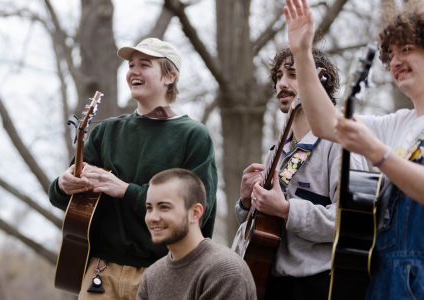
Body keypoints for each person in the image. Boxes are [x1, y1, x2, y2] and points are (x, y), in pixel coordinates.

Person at [48, 38, 218, 300]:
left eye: (145, 65)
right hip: (101, 272)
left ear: (169, 77)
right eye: (131, 65)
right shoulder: (105, 132)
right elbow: (67, 201)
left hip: (165, 273)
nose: (133, 72)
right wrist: (62, 184)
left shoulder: (193, 136)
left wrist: (126, 191)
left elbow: (197, 214)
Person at [283, 0, 424, 299]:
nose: (395, 61)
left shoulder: (385, 137)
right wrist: (302, 54)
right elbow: (324, 124)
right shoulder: (398, 124)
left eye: (407, 49)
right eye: (392, 54)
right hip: (383, 278)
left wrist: (378, 154)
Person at [234, 46, 350, 299]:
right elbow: (262, 228)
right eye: (278, 76)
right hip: (270, 281)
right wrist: (246, 202)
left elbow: (346, 222)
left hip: (320, 284)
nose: (281, 84)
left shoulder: (338, 144)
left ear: (318, 82)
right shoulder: (276, 152)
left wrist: (286, 209)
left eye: (293, 75)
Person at [137, 168, 256, 300]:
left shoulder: (225, 271)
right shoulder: (152, 276)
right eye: (149, 208)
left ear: (195, 213)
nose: (152, 217)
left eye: (164, 207)